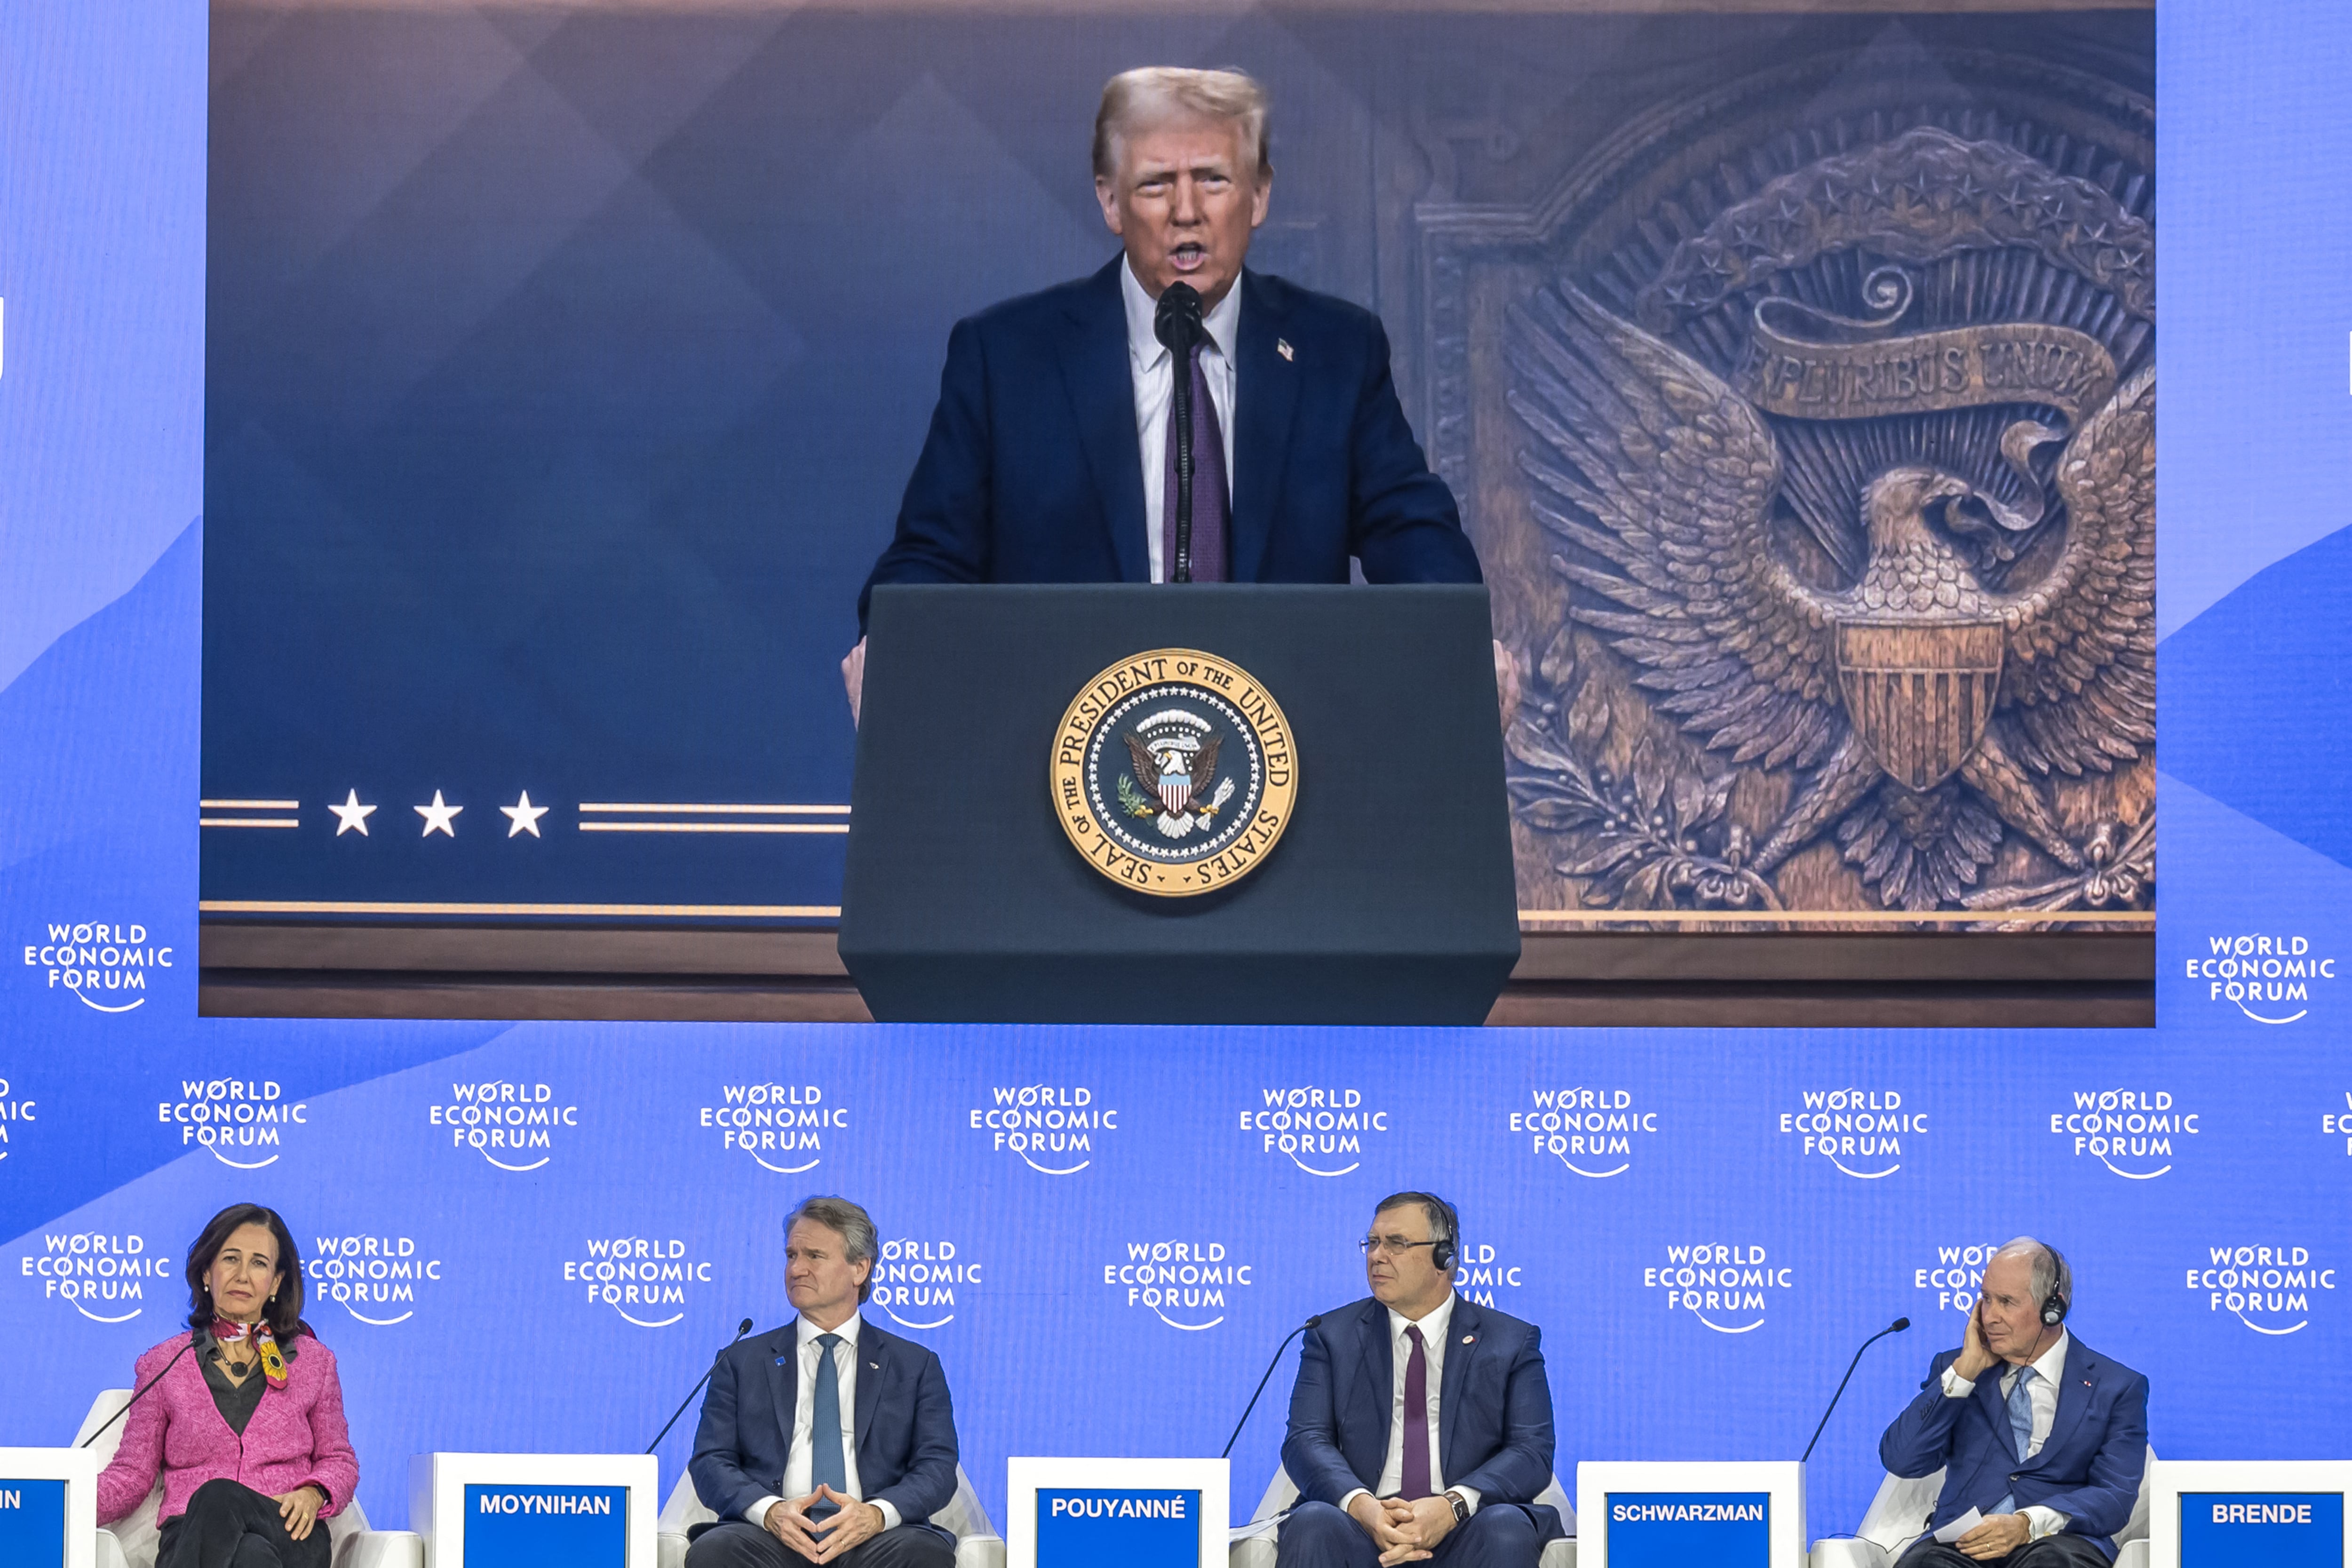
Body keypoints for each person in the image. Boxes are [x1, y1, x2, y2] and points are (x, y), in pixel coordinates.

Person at [843, 67, 1510, 724]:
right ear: (1110, 202)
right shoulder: (1008, 359)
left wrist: (1457, 638)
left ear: (1259, 195)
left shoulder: (1335, 352)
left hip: (1287, 743)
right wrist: (895, 642)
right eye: (1156, 183)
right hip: (1057, 742)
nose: (1186, 212)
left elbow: (1411, 531)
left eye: (1213, 180)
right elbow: (930, 556)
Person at [1279, 1192, 1565, 1568]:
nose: (1377, 1255)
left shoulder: (1510, 1341)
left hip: (1466, 1528)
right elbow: (1305, 1439)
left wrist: (1453, 1505)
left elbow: (1532, 1451)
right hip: (1361, 1528)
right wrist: (1362, 1505)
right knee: (1313, 1522)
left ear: (1444, 1257)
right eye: (1373, 1242)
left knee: (1506, 1528)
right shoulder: (1331, 1335)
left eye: (1396, 1243)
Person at [688, 1196, 960, 1567]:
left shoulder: (915, 1365)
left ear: (859, 1268)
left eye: (814, 1256)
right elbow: (710, 1460)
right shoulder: (740, 1361)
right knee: (717, 1551)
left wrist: (877, 1514)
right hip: (770, 1537)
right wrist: (770, 1511)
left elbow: (937, 1466)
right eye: (791, 1255)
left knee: (923, 1553)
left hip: (875, 1537)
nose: (796, 1268)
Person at [95, 1203, 359, 1568]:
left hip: (289, 1531)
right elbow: (131, 1474)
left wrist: (315, 1493)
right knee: (249, 1554)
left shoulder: (315, 1362)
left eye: (259, 1263)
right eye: (231, 1259)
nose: (243, 1275)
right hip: (191, 1534)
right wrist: (59, 1503)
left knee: (219, 1495)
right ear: (207, 1271)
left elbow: (339, 1459)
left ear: (276, 1282)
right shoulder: (163, 1364)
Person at [1879, 1238, 2148, 1566]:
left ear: (2053, 1309)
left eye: (2006, 1302)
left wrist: (2027, 1523)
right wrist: (1964, 1373)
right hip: (1959, 1546)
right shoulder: (1956, 1368)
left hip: (2057, 1543)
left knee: (2054, 1562)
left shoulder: (2116, 1386)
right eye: (1986, 1299)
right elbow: (1902, 1460)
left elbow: (2115, 1496)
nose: (1990, 1316)